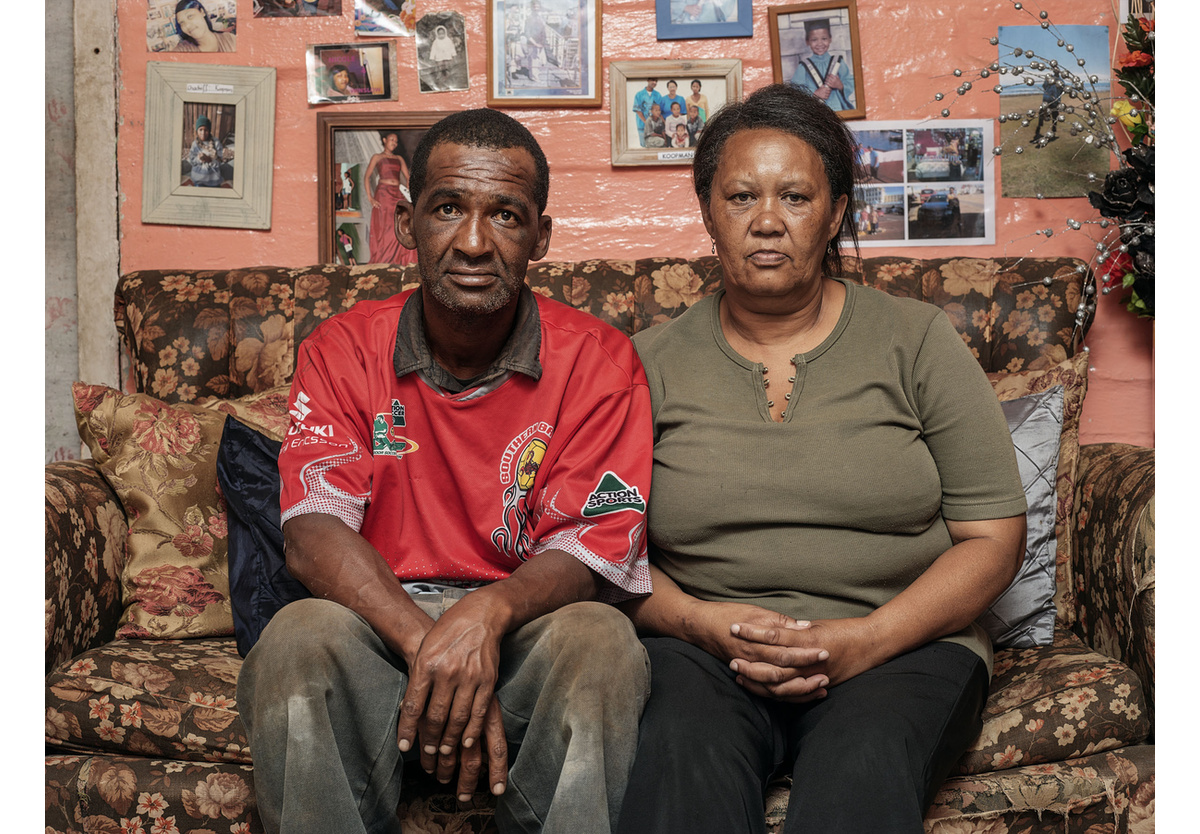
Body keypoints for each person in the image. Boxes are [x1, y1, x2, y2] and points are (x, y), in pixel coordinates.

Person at [615, 83, 1026, 834]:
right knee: (679, 758)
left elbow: (993, 539)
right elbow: (608, 554)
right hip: (706, 650)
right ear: (709, 212)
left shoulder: (917, 340)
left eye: (796, 196)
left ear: (835, 212)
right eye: (740, 196)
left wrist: (866, 640)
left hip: (901, 638)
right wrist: (706, 627)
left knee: (861, 767)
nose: (767, 221)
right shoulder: (647, 363)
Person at [239, 108, 653, 834]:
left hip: (524, 628)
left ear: (541, 239)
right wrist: (435, 647)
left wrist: (485, 620)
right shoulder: (343, 348)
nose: (472, 242)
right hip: (377, 626)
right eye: (448, 209)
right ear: (406, 223)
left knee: (602, 641)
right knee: (298, 638)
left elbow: (593, 550)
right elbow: (312, 532)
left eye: (505, 216)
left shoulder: (599, 360)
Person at [363, 130, 418, 266]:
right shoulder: (377, 157)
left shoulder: (399, 159)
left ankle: (399, 259)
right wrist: (370, 197)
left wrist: (410, 194)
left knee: (399, 224)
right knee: (385, 226)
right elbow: (367, 176)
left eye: (396, 141)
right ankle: (384, 258)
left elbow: (408, 177)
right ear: (384, 141)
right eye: (392, 140)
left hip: (397, 193)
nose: (394, 143)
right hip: (383, 194)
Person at [788, 19, 855, 111]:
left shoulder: (838, 63)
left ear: (830, 39)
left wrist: (840, 85)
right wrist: (814, 94)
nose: (820, 43)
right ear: (807, 41)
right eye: (814, 39)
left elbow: (850, 82)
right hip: (816, 112)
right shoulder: (803, 67)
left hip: (838, 109)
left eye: (824, 39)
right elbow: (795, 90)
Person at [185, 114, 224, 187]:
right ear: (197, 131)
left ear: (209, 131)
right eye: (200, 130)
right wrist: (199, 159)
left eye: (206, 130)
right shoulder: (195, 144)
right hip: (199, 180)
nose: (203, 133)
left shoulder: (215, 143)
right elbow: (192, 160)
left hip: (213, 180)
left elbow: (220, 161)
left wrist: (210, 160)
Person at [633, 79, 664, 148]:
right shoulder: (639, 95)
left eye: (656, 81)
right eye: (653, 80)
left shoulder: (658, 95)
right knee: (644, 145)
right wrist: (646, 122)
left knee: (656, 145)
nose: (654, 83)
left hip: (655, 127)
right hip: (642, 125)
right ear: (647, 80)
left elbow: (659, 111)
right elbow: (638, 111)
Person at [1033, 75, 1063, 143]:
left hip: (1052, 100)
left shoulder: (1056, 80)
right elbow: (1044, 86)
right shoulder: (1052, 80)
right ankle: (1039, 130)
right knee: (1044, 114)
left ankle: (1051, 131)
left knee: (1054, 116)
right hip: (1049, 100)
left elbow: (1061, 88)